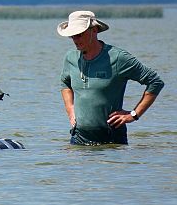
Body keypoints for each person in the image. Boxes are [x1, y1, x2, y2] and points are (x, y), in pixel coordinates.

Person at [57, 11, 164, 145]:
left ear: (94, 30)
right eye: (72, 36)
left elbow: (155, 82)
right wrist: (70, 110)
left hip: (112, 139)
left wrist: (134, 114)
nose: (75, 40)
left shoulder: (118, 58)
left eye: (79, 35)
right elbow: (65, 82)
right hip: (78, 137)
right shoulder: (70, 58)